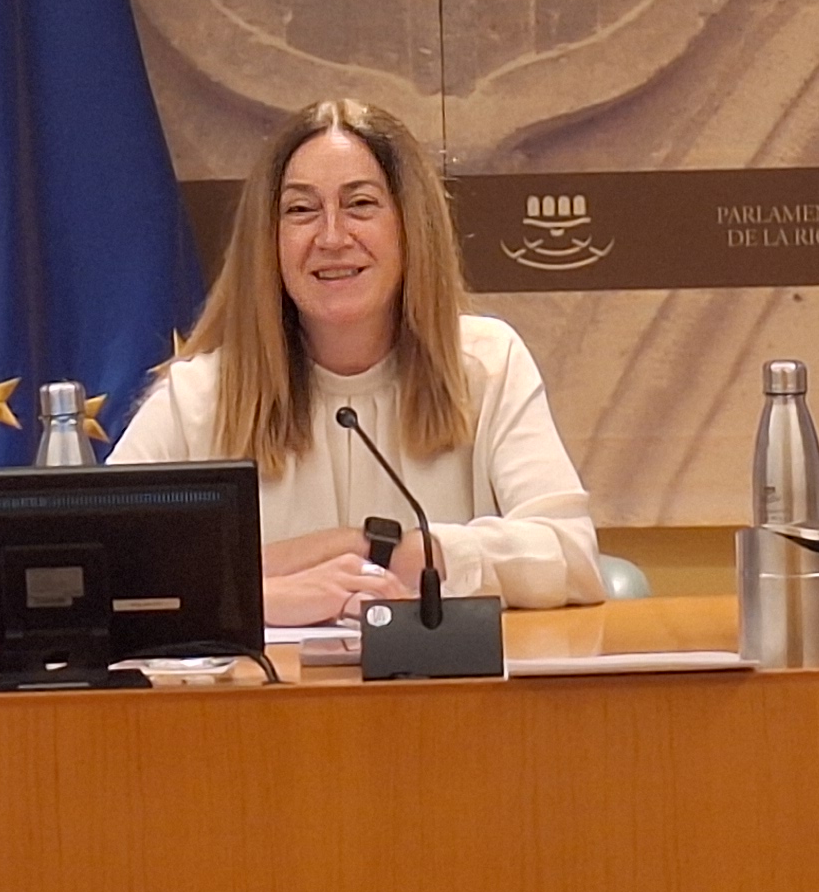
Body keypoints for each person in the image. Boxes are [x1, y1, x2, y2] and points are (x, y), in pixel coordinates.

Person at [111, 96, 605, 620]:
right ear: (268, 240)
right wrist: (263, 595)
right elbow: (96, 573)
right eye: (301, 210)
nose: (331, 237)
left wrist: (385, 550)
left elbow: (571, 555)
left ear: (410, 226)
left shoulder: (487, 365)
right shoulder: (198, 395)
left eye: (361, 205)